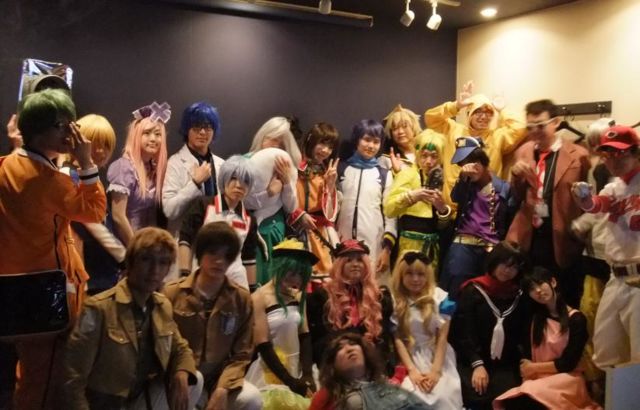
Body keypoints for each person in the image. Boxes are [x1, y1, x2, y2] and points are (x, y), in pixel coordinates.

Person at [0, 89, 106, 410]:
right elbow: (96, 210)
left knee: (30, 375)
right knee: (45, 381)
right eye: (60, 125)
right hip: (48, 292)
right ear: (36, 129)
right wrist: (86, 161)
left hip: (14, 288)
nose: (69, 133)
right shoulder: (50, 181)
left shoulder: (6, 166)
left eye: (71, 123)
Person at [63, 227, 203, 410]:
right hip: (106, 405)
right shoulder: (99, 308)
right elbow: (73, 378)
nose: (154, 270)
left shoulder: (161, 305)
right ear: (131, 262)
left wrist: (181, 373)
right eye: (146, 259)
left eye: (163, 263)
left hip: (140, 399)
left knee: (194, 379)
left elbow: (180, 348)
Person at [163, 222, 261, 410]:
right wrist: (179, 369)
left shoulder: (241, 298)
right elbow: (164, 343)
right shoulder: (172, 293)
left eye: (227, 256)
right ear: (200, 254)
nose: (219, 261)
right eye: (213, 253)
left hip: (219, 376)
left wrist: (223, 387)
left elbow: (242, 354)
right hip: (181, 373)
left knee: (252, 398)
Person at [506, 99, 590, 307]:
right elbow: (516, 196)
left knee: (562, 296)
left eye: (540, 125)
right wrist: (515, 176)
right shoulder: (523, 151)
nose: (535, 131)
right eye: (530, 127)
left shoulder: (579, 155)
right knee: (529, 295)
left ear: (556, 122)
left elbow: (588, 201)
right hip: (529, 236)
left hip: (562, 237)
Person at [570, 125, 640, 368]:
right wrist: (584, 199)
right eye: (607, 154)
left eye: (620, 153)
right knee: (606, 352)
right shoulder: (614, 187)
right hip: (616, 278)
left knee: (637, 357)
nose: (613, 160)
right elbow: (597, 204)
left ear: (635, 152)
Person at [493, 267, 600, 410]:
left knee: (531, 396)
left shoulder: (576, 319)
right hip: (537, 377)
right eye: (532, 289)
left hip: (567, 378)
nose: (538, 290)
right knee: (514, 399)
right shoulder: (534, 318)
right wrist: (528, 370)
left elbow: (568, 363)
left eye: (540, 283)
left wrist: (533, 368)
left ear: (553, 282)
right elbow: (526, 354)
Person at [450, 241, 528, 410]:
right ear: (494, 261)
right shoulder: (473, 290)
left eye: (514, 267)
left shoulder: (519, 295)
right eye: (504, 264)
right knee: (477, 394)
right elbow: (463, 332)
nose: (507, 271)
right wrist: (477, 364)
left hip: (504, 363)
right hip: (473, 360)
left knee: (508, 397)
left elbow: (521, 333)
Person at [424, 80, 526, 208]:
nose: (483, 117)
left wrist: (501, 109)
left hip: (484, 208)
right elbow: (430, 118)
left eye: (488, 112)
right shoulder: (454, 130)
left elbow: (521, 127)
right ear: (469, 113)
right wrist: (456, 106)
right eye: (478, 112)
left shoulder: (497, 137)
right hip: (453, 205)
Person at [569, 118, 615, 400]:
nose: (601, 150)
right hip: (596, 258)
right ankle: (595, 381)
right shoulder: (597, 169)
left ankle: (614, 384)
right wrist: (581, 223)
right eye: (597, 144)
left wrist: (583, 223)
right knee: (591, 320)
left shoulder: (626, 175)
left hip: (622, 262)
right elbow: (597, 206)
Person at [439, 137, 515, 300]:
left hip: (491, 248)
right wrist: (463, 178)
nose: (469, 168)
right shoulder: (465, 186)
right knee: (455, 292)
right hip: (463, 245)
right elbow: (455, 197)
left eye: (473, 162)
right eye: (463, 164)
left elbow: (511, 217)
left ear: (482, 161)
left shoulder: (504, 188)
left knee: (489, 295)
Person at [246, 238, 318, 409]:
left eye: (301, 274)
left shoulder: (298, 296)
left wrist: (307, 374)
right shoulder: (259, 297)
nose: (296, 279)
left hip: (298, 369)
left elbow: (304, 334)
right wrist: (289, 381)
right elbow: (262, 343)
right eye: (291, 272)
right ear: (279, 267)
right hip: (270, 370)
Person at [307, 239, 395, 375]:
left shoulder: (379, 297)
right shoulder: (322, 297)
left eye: (359, 260)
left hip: (372, 368)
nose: (355, 264)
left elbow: (384, 338)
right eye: (348, 260)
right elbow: (318, 341)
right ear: (339, 265)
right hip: (336, 367)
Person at [61, 114, 125, 294]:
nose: (101, 151)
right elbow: (92, 223)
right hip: (83, 265)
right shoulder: (68, 175)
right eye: (95, 144)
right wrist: (123, 256)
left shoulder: (85, 175)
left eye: (106, 145)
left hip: (98, 266)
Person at [391, 251, 462, 409]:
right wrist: (412, 371)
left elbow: (442, 338)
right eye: (409, 273)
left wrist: (435, 371)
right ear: (400, 275)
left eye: (420, 274)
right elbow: (398, 339)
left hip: (438, 358)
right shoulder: (395, 301)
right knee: (411, 396)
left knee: (443, 396)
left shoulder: (440, 298)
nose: (415, 279)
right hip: (409, 358)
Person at [178, 155, 258, 289]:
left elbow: (249, 258)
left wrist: (252, 291)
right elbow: (185, 239)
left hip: (236, 284)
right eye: (233, 178)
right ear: (224, 179)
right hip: (202, 278)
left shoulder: (250, 218)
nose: (239, 185)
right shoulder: (203, 205)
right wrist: (184, 275)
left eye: (245, 180)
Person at [336, 120, 397, 285]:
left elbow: (391, 214)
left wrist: (387, 249)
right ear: (357, 140)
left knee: (372, 290)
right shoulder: (341, 169)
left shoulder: (384, 174)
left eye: (376, 142)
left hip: (374, 244)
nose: (371, 146)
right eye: (367, 140)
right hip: (342, 242)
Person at [384, 131, 450, 273]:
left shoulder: (445, 179)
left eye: (434, 156)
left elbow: (444, 226)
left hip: (433, 248)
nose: (429, 161)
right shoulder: (407, 174)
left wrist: (443, 210)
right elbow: (389, 210)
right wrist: (412, 196)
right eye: (424, 155)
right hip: (408, 246)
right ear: (418, 155)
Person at [309, 332, 431, 410]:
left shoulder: (389, 387)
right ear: (332, 365)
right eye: (340, 348)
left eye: (353, 344)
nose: (349, 349)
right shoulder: (329, 395)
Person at [245, 116, 300, 284]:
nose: (276, 145)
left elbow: (291, 207)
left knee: (272, 283)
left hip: (275, 230)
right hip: (248, 230)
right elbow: (240, 201)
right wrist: (268, 193)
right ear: (262, 136)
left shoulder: (286, 165)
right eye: (272, 138)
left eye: (281, 143)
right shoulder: (244, 162)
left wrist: (287, 183)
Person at [108, 101, 170, 245]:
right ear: (136, 136)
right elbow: (118, 217)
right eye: (146, 133)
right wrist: (135, 248)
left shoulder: (153, 169)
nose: (153, 139)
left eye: (158, 134)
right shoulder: (124, 168)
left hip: (146, 244)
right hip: (124, 246)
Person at [162, 102, 225, 238]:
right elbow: (169, 210)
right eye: (196, 127)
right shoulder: (175, 162)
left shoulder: (221, 164)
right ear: (187, 129)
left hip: (216, 239)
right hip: (185, 240)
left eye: (208, 127)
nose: (202, 132)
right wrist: (195, 183)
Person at [290, 122, 341, 275]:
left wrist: (330, 185)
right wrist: (298, 215)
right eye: (322, 143)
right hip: (297, 230)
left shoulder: (327, 171)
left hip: (321, 233)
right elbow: (285, 199)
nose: (325, 151)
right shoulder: (294, 167)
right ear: (311, 140)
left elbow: (330, 214)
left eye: (330, 147)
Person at [380, 104, 423, 174]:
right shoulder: (386, 160)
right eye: (395, 128)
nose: (400, 132)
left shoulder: (425, 154)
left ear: (414, 128)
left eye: (404, 126)